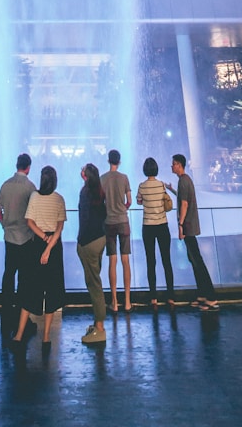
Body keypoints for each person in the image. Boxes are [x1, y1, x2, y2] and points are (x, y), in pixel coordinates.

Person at [12, 165, 67, 351]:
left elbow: (29, 221)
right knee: (52, 290)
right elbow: (59, 228)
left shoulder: (34, 197)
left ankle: (19, 335)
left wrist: (43, 241)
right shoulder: (59, 199)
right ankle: (46, 337)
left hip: (37, 244)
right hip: (54, 246)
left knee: (30, 288)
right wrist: (50, 246)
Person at [0, 152, 36, 338]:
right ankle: (22, 316)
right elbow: (33, 214)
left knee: (8, 274)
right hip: (26, 238)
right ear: (28, 167)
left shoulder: (5, 185)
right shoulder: (30, 187)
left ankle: (6, 312)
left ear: (16, 165)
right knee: (25, 278)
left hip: (9, 237)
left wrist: (4, 223)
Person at [170, 154, 218, 311]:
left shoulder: (183, 181)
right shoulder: (185, 180)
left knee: (197, 261)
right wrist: (171, 190)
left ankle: (211, 297)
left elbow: (184, 204)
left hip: (188, 226)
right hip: (190, 225)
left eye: (174, 164)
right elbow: (183, 198)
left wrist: (181, 224)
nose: (172, 166)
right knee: (193, 259)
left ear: (179, 165)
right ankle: (202, 295)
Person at [136, 156, 175, 307]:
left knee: (150, 261)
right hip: (162, 226)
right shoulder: (161, 185)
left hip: (148, 227)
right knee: (167, 260)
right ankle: (170, 296)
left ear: (145, 170)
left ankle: (153, 297)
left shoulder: (142, 186)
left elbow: (139, 201)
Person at [76, 162, 107, 346]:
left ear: (86, 175)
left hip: (88, 242)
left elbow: (84, 219)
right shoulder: (99, 190)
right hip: (100, 239)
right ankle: (97, 322)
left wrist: (80, 241)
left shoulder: (85, 192)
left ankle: (100, 328)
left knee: (94, 284)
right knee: (96, 280)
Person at [100, 148, 132, 312]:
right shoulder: (124, 178)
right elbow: (130, 201)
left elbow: (100, 201)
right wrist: (123, 208)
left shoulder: (103, 179)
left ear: (108, 161)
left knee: (112, 261)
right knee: (125, 261)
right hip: (123, 221)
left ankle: (114, 302)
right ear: (119, 162)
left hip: (109, 222)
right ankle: (127, 301)